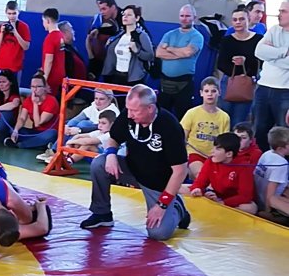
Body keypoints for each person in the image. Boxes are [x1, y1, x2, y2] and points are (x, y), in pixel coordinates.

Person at [81, 84, 191, 241]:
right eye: (128, 109)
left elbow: (180, 170)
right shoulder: (128, 115)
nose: (129, 115)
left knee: (158, 233)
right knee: (99, 163)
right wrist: (111, 154)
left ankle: (177, 207)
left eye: (134, 111)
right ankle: (102, 213)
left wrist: (162, 204)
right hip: (132, 170)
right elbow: (113, 138)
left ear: (150, 108)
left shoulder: (169, 126)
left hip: (158, 184)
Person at [251, 0, 289, 152]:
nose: (279, 14)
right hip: (263, 88)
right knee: (259, 130)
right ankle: (262, 161)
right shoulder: (273, 30)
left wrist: (271, 56)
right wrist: (284, 52)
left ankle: (282, 164)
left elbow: (267, 55)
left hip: (285, 91)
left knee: (284, 134)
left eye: (283, 11)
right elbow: (258, 52)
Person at [189, 132, 258, 214]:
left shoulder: (244, 167)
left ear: (229, 154)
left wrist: (223, 202)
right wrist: (197, 189)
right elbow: (200, 182)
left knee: (251, 208)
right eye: (213, 147)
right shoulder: (210, 161)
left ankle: (220, 210)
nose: (212, 151)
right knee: (181, 188)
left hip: (231, 200)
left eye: (217, 149)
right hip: (215, 195)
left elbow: (245, 196)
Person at [156, 4, 204, 120]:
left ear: (194, 17)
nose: (184, 19)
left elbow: (188, 52)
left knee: (183, 118)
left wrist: (169, 48)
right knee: (161, 116)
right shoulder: (169, 34)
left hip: (184, 84)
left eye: (187, 16)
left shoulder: (197, 36)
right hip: (164, 83)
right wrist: (180, 53)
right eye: (182, 16)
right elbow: (158, 53)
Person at [217, 7, 262, 128]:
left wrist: (245, 64)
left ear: (248, 20)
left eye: (241, 19)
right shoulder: (227, 40)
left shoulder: (258, 39)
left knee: (239, 121)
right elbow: (221, 64)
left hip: (247, 82)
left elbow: (261, 63)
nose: (238, 22)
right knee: (224, 119)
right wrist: (235, 70)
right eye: (235, 19)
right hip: (229, 82)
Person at [180, 77, 231, 180]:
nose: (210, 94)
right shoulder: (192, 113)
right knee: (201, 175)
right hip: (194, 154)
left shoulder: (224, 117)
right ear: (201, 93)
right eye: (206, 91)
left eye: (213, 91)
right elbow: (181, 137)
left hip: (214, 157)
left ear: (219, 92)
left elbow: (224, 142)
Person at [4, 72, 59, 150]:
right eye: (33, 87)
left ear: (44, 87)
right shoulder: (28, 100)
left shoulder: (52, 101)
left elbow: (37, 123)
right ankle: (40, 145)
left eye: (38, 86)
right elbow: (22, 118)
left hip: (47, 132)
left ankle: (21, 145)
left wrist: (35, 103)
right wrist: (16, 130)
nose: (35, 90)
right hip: (34, 133)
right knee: (13, 130)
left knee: (52, 134)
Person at [102, 5, 154, 86]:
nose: (125, 17)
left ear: (137, 18)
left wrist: (137, 51)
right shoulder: (119, 36)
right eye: (124, 14)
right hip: (116, 75)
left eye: (129, 15)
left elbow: (150, 56)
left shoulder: (141, 35)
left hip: (133, 78)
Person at [254, 126, 289, 219]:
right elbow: (271, 189)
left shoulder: (267, 153)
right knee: (274, 199)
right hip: (267, 201)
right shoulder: (281, 164)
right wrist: (267, 210)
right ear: (280, 148)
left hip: (257, 195)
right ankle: (272, 214)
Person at [0, 1, 31, 78]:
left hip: (15, 66)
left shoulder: (24, 27)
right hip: (1, 65)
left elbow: (26, 47)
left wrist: (15, 32)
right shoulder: (2, 26)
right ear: (6, 13)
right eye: (9, 13)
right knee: (1, 85)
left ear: (18, 12)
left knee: (14, 85)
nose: (12, 16)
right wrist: (1, 33)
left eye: (14, 13)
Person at [41, 8, 66, 96]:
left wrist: (44, 78)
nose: (43, 24)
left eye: (43, 21)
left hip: (52, 77)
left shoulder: (50, 38)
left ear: (47, 21)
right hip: (60, 76)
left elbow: (49, 60)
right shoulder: (61, 36)